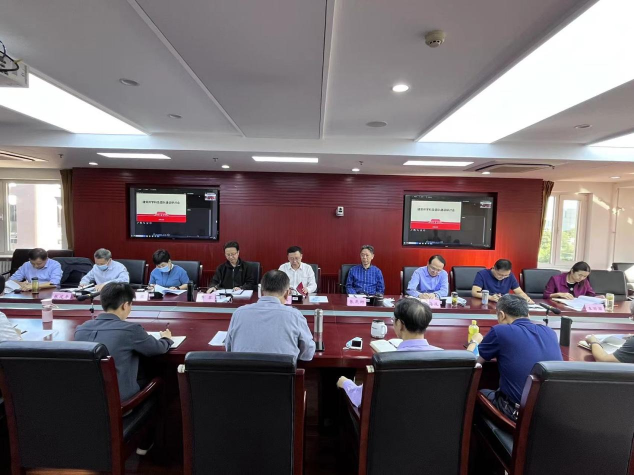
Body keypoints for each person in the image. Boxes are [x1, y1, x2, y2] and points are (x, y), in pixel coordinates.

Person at [467, 295, 562, 421]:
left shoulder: (500, 331)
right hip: (551, 416)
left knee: (478, 393)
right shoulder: (550, 332)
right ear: (528, 314)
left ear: (501, 315)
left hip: (518, 415)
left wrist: (474, 341)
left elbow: (470, 363)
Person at [75, 282, 172, 401]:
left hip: (87, 400)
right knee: (159, 379)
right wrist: (166, 339)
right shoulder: (131, 330)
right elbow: (158, 348)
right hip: (121, 402)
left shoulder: (81, 329)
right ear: (125, 305)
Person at [336, 299, 442, 407]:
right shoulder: (444, 357)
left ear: (400, 324)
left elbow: (359, 398)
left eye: (393, 320)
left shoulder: (387, 362)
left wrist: (345, 383)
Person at [225, 270, 315, 361]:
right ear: (287, 293)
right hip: (282, 370)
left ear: (261, 291)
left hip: (243, 369)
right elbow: (308, 353)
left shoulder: (239, 313)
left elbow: (229, 348)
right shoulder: (294, 315)